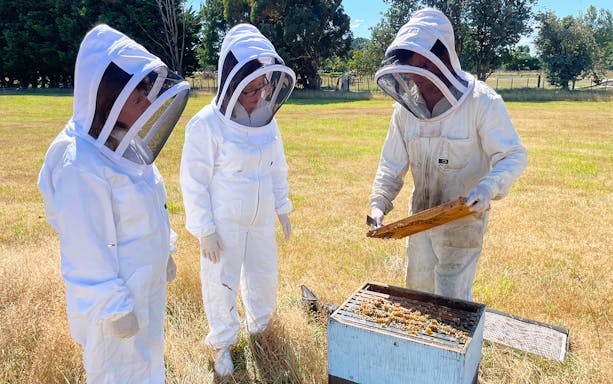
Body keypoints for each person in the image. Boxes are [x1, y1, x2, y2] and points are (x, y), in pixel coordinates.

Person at [37, 24, 190, 383]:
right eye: (138, 98)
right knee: (118, 373)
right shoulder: (79, 163)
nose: (149, 103)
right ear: (110, 100)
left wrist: (163, 250)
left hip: (143, 285)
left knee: (148, 363)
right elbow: (85, 246)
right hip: (115, 302)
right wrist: (113, 307)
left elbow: (151, 203)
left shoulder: (122, 144)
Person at [369, 8, 527, 301]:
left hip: (462, 224)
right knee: (417, 297)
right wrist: (379, 204)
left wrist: (487, 187)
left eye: (422, 71)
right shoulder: (405, 111)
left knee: (451, 304)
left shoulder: (482, 102)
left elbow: (514, 155)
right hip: (419, 220)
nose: (417, 81)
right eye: (411, 73)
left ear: (444, 60)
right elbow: (392, 164)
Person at [180, 23, 295, 376]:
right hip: (224, 223)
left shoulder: (266, 122)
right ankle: (221, 345)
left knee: (263, 276)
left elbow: (276, 166)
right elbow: (193, 181)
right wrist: (205, 230)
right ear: (232, 82)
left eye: (263, 87)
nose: (259, 95)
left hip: (259, 221)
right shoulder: (205, 125)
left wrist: (283, 208)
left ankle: (259, 331)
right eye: (251, 88)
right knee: (221, 283)